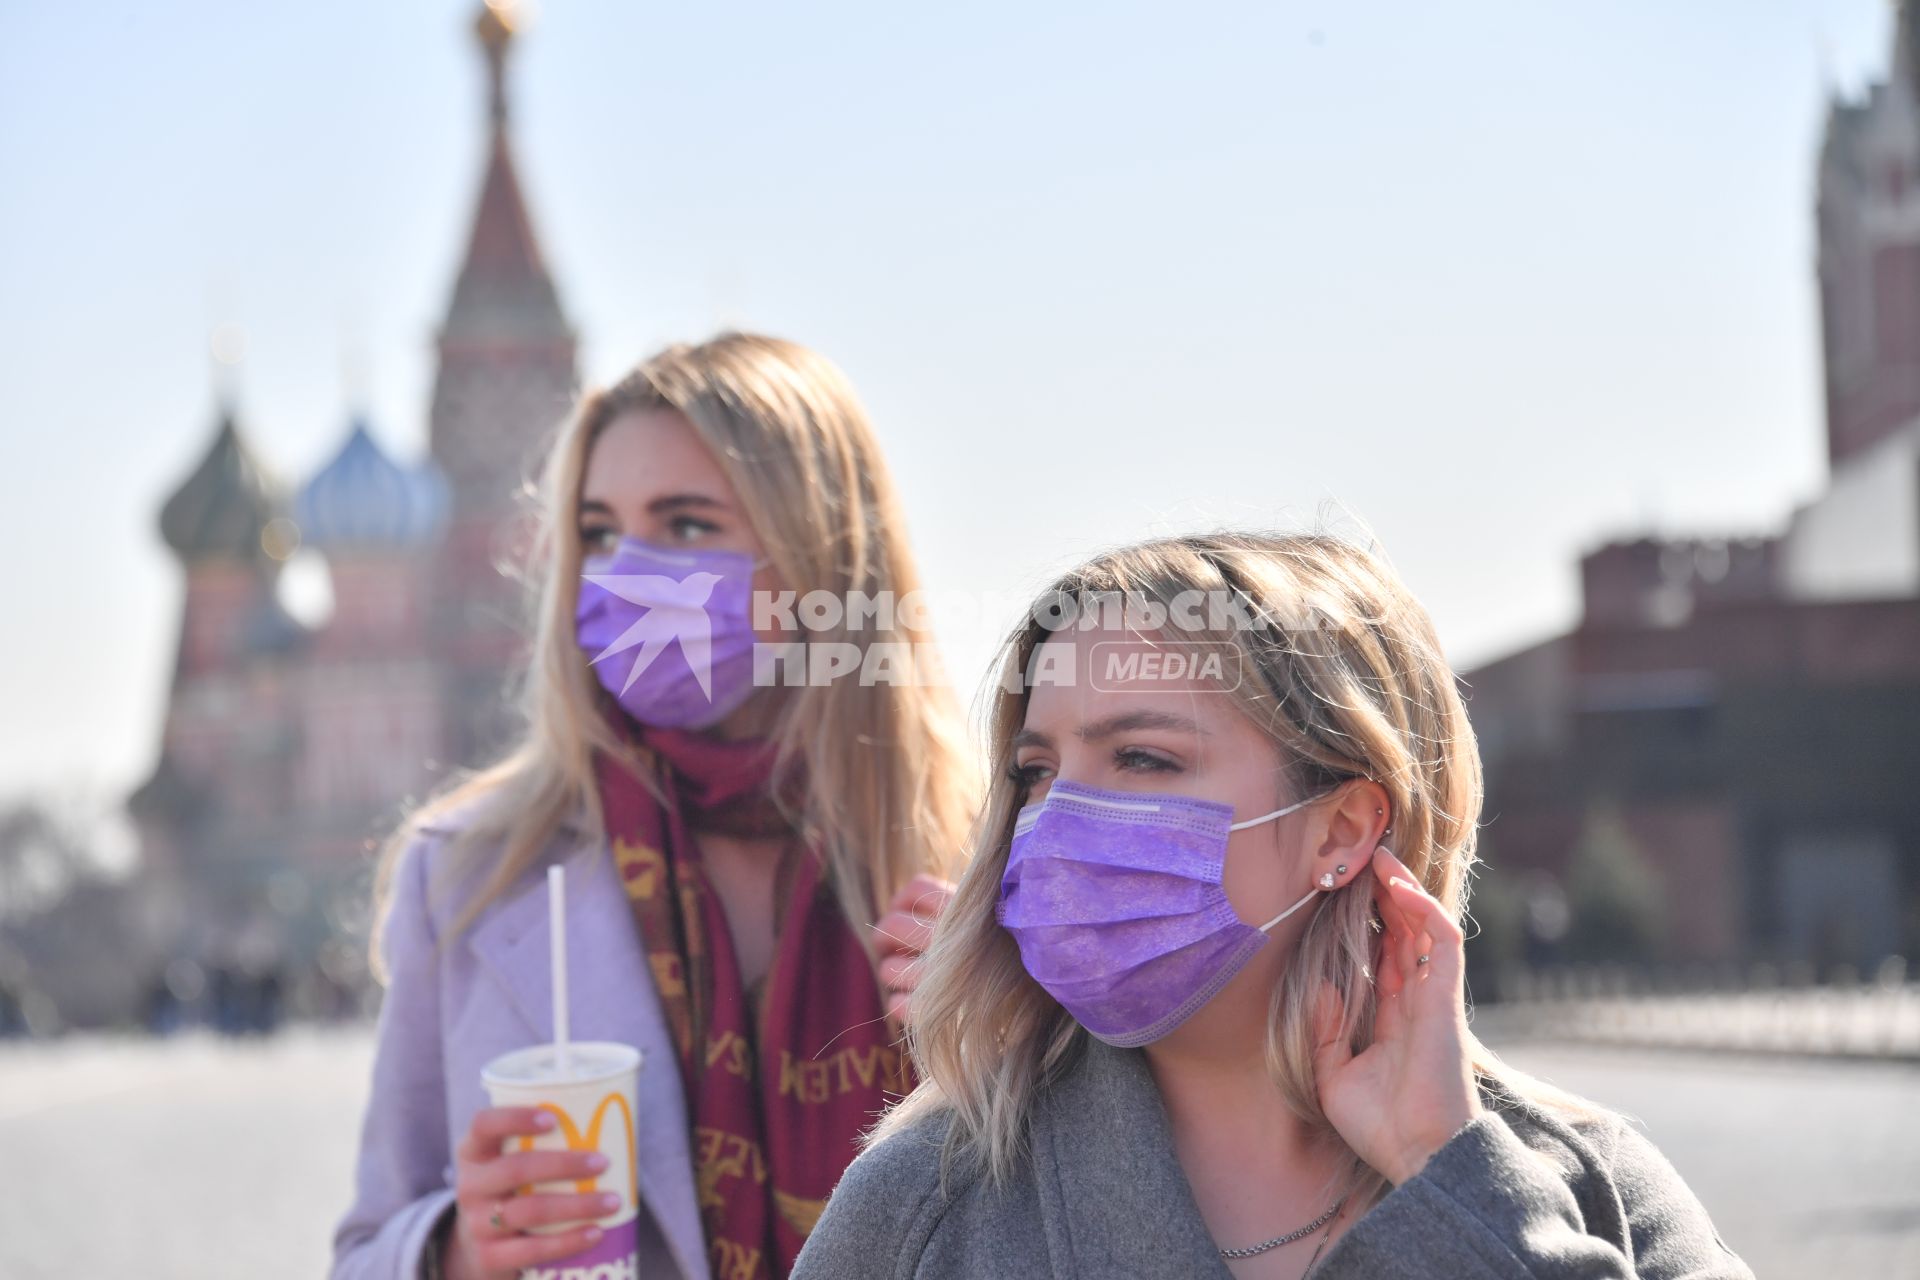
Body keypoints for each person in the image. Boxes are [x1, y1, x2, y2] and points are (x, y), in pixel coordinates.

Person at [793, 532, 1755, 1280]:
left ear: (1339, 831)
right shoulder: (928, 1202)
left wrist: (1453, 1178)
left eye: (1141, 758)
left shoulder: (1585, 1184)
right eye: (1037, 771)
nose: (1055, 820)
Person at [331, 334, 978, 1280]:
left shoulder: (991, 868)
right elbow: (365, 1248)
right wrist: (458, 1252)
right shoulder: (474, 868)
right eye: (598, 533)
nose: (627, 574)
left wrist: (1002, 1060)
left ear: (818, 562)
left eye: (683, 526)